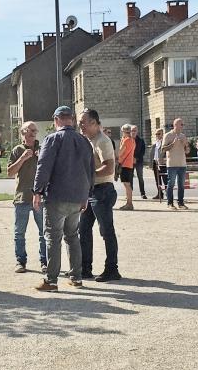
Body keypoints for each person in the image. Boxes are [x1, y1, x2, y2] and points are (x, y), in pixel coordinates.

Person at [31, 106, 93, 292]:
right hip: (77, 197)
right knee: (72, 236)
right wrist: (86, 195)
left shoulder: (52, 139)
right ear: (71, 119)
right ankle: (76, 277)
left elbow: (43, 167)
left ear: (56, 120)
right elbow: (90, 170)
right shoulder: (84, 140)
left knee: (53, 237)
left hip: (57, 196)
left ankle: (51, 280)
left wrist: (37, 191)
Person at [78, 108, 120, 282]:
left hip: (102, 191)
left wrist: (89, 174)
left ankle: (112, 269)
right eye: (80, 122)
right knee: (83, 230)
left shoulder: (102, 141)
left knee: (106, 231)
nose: (80, 125)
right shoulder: (89, 140)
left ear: (94, 123)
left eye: (83, 122)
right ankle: (85, 268)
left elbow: (109, 168)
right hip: (91, 191)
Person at [8, 121, 47, 274]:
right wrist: (22, 158)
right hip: (22, 197)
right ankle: (20, 261)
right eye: (30, 130)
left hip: (40, 198)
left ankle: (45, 262)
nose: (33, 133)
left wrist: (41, 158)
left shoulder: (42, 149)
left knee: (44, 232)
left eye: (35, 131)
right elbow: (10, 172)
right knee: (19, 233)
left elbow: (51, 170)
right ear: (23, 132)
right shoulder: (17, 150)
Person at [162, 118, 190, 210]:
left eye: (183, 125)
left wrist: (186, 145)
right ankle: (170, 203)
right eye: (181, 124)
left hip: (182, 164)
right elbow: (163, 149)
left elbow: (187, 151)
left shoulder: (183, 136)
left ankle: (180, 203)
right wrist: (172, 144)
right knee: (171, 184)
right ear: (175, 125)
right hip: (172, 164)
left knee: (181, 185)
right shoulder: (168, 135)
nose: (182, 126)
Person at [117, 124, 135, 210]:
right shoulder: (132, 140)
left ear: (124, 131)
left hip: (124, 164)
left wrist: (121, 142)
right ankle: (128, 203)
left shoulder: (126, 140)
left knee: (127, 185)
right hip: (129, 164)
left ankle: (129, 203)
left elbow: (120, 152)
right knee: (127, 184)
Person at [132, 125, 147, 200]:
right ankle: (129, 194)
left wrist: (136, 158)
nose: (133, 132)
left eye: (135, 130)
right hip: (130, 161)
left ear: (137, 131)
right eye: (132, 130)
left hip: (139, 162)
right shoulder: (128, 140)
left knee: (140, 177)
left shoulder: (141, 140)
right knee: (130, 178)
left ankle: (143, 193)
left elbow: (143, 151)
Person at [150, 128, 165, 200]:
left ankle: (169, 194)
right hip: (155, 163)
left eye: (159, 134)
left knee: (165, 179)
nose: (157, 135)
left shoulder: (164, 143)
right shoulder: (155, 143)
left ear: (162, 134)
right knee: (157, 179)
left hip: (162, 163)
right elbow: (153, 154)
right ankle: (160, 193)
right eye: (156, 134)